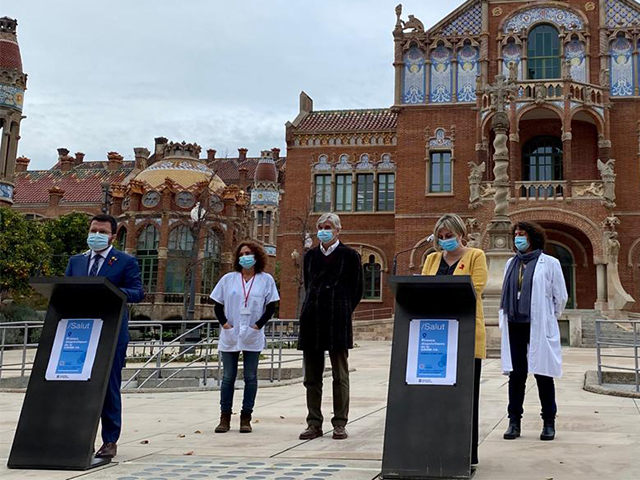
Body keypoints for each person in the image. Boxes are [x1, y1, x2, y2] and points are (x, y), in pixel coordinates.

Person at [65, 214, 145, 459]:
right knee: (77, 386)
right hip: (79, 332)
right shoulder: (76, 262)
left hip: (111, 332)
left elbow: (137, 292)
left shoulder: (124, 261)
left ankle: (110, 440)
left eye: (101, 232)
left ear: (112, 236)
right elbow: (66, 289)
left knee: (109, 387)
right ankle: (79, 437)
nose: (96, 235)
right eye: (93, 230)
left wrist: (110, 291)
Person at [421, 213, 487, 466]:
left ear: (461, 234)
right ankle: (435, 447)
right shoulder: (431, 259)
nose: (446, 240)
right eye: (442, 236)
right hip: (435, 336)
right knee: (434, 395)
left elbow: (475, 287)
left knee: (465, 396)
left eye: (450, 235)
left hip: (466, 333)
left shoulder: (475, 256)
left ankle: (466, 454)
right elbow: (424, 289)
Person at [499, 222, 568, 441]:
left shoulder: (550, 263)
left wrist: (547, 316)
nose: (518, 238)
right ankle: (514, 421)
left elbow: (561, 297)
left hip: (538, 323)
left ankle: (549, 421)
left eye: (522, 234)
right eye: (516, 235)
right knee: (516, 375)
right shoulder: (511, 263)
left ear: (533, 238)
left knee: (543, 374)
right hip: (514, 322)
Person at [298, 213, 363, 440]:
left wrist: (342, 309)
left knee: (340, 374)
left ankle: (340, 423)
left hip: (337, 320)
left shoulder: (350, 256)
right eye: (320, 227)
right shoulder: (310, 256)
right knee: (312, 376)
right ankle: (313, 422)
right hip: (312, 320)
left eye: (327, 227)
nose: (323, 230)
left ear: (337, 231)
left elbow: (357, 289)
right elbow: (309, 284)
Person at [210, 240, 279, 433]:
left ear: (256, 256)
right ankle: (224, 417)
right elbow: (217, 304)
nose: (244, 257)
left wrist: (257, 326)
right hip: (231, 332)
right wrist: (225, 324)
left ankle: (245, 417)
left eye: (248, 253)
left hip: (252, 333)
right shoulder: (229, 279)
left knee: (250, 377)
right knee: (228, 377)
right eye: (241, 254)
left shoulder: (266, 280)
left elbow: (271, 306)